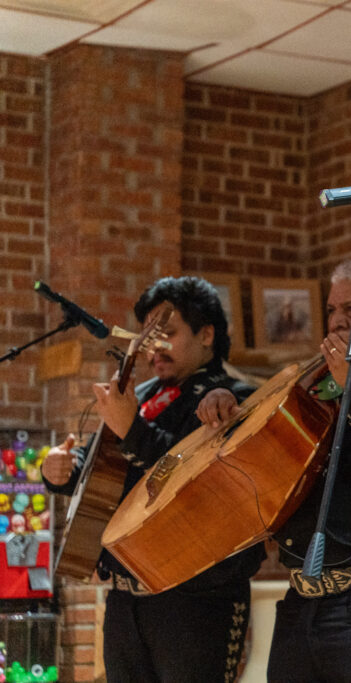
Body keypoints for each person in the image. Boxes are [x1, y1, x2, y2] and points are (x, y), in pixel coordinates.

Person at [196, 258, 351, 683]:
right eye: (331, 310)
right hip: (301, 599)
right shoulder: (313, 385)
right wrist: (229, 407)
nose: (335, 321)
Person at [42, 276, 264, 683]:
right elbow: (96, 463)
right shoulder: (140, 393)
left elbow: (198, 485)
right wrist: (60, 469)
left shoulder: (236, 398)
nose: (153, 347)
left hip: (197, 602)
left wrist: (132, 429)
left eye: (168, 332)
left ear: (207, 334)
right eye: (147, 336)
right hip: (126, 600)